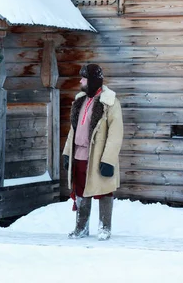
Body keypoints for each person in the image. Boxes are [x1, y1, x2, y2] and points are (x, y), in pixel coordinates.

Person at [62, 64, 123, 241]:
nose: (80, 81)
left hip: (98, 156)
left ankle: (104, 228)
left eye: (84, 78)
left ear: (93, 81)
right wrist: (67, 153)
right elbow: (73, 130)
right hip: (79, 155)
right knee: (81, 191)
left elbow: (116, 133)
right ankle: (81, 227)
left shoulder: (110, 102)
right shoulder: (80, 100)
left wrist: (109, 160)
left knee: (104, 190)